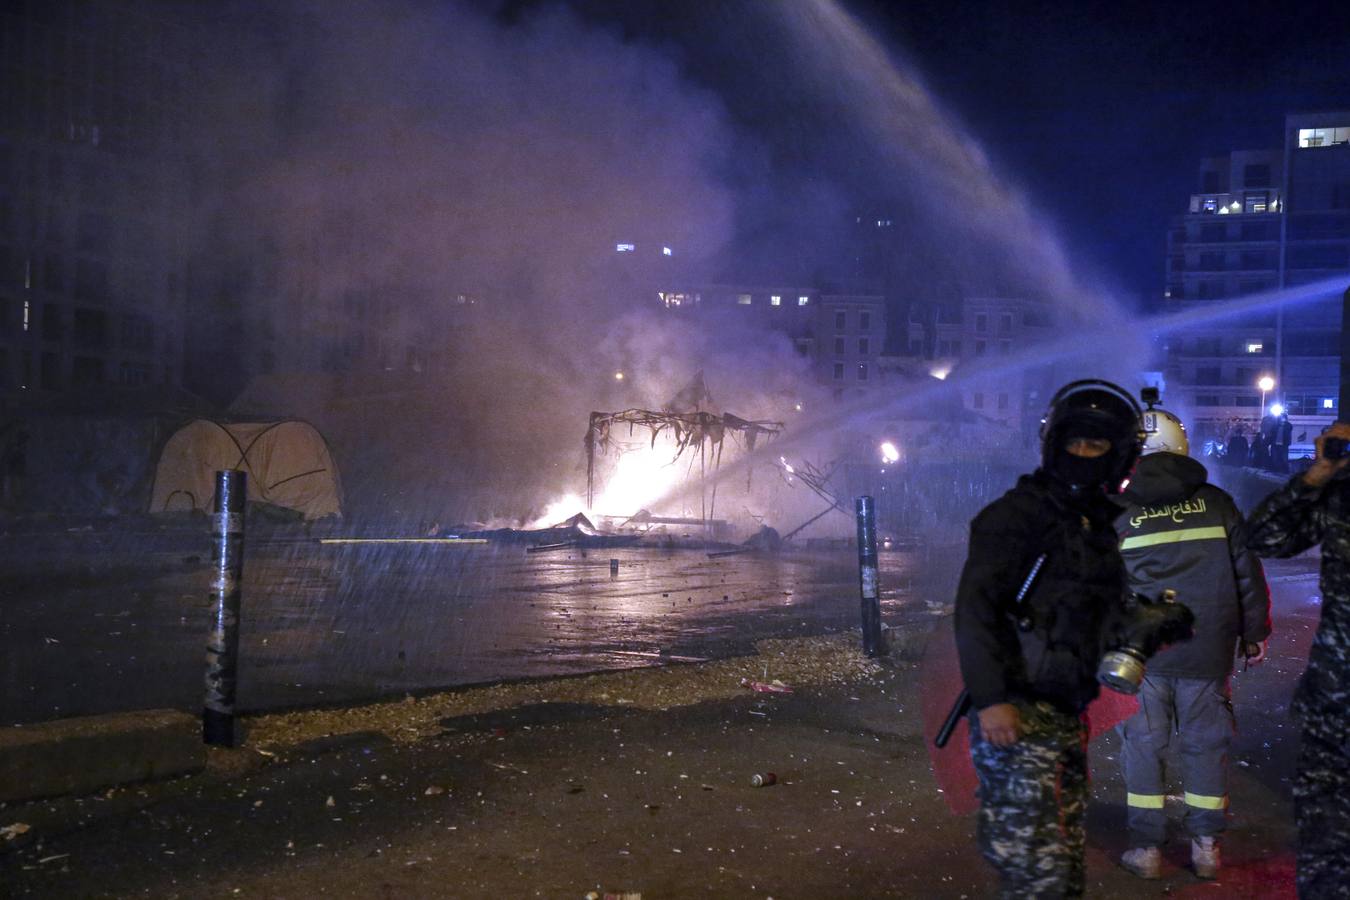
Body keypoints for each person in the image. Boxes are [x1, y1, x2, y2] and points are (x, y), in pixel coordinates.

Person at [954, 380, 1146, 897]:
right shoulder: (1018, 515)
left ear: (1119, 454)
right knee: (1032, 868)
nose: (1083, 455)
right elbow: (975, 612)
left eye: (1097, 445)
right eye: (1075, 443)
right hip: (1016, 711)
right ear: (1053, 444)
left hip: (1065, 712)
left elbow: (1090, 614)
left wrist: (1142, 629)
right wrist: (993, 700)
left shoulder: (1093, 527)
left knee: (1062, 862)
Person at [1114, 400, 1271, 880]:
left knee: (1143, 746)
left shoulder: (1118, 514)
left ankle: (1147, 851)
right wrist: (1255, 632)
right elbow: (1247, 572)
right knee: (1205, 745)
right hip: (1208, 651)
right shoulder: (1217, 502)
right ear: (1181, 446)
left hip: (1144, 657)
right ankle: (1205, 847)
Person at [1245, 421, 1350, 899]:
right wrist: (1317, 475)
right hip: (1334, 700)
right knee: (1326, 851)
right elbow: (1264, 538)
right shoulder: (1341, 493)